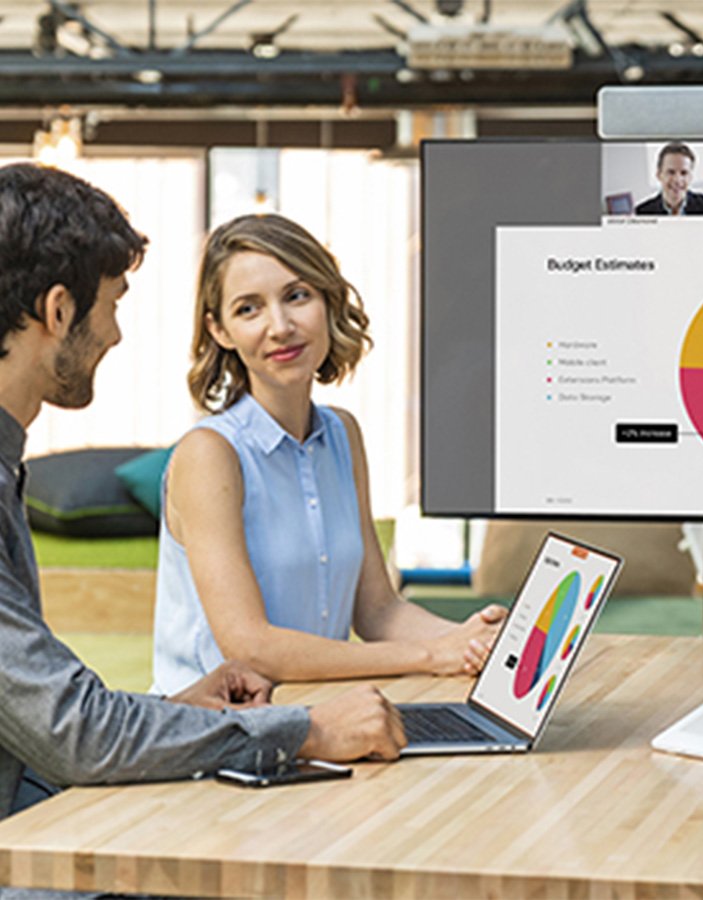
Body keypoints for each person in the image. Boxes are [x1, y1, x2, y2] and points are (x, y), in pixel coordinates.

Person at [0, 162, 406, 820]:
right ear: (58, 309)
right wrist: (304, 730)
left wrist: (172, 715)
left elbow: (43, 720)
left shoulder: (7, 465)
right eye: (114, 305)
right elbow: (72, 730)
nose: (116, 333)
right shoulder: (210, 451)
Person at [152, 214, 505, 694]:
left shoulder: (342, 434)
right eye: (249, 309)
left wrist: (477, 640)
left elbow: (378, 611)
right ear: (220, 331)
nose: (280, 326)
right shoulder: (210, 453)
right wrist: (430, 657)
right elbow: (249, 647)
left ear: (326, 300)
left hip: (321, 720)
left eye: (297, 296)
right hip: (214, 737)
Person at [635, 142, 703, 216]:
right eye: (671, 172)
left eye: (684, 173)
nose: (677, 180)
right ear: (659, 175)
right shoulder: (642, 212)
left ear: (690, 177)